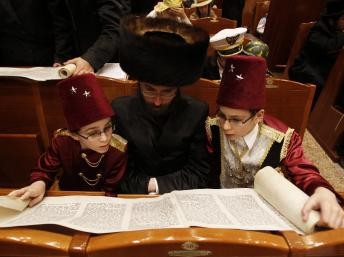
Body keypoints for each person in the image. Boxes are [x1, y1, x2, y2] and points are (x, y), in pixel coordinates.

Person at [206, 55, 344, 229]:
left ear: (258, 116)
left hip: (263, 215)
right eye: (222, 115)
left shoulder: (282, 137)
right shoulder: (212, 128)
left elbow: (303, 171)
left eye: (236, 119)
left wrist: (323, 191)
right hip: (219, 209)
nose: (225, 126)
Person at [112, 16, 210, 194]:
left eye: (167, 92)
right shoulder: (120, 110)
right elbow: (118, 172)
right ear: (138, 83)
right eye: (149, 90)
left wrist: (157, 186)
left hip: (181, 197)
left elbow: (199, 173)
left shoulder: (196, 111)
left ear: (178, 88)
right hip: (134, 197)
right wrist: (147, 186)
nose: (157, 101)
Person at [9, 74, 128, 207]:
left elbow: (110, 193)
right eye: (93, 133)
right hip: (66, 199)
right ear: (74, 135)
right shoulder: (62, 143)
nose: (105, 138)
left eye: (107, 128)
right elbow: (44, 170)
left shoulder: (117, 152)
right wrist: (38, 184)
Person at [52, 0, 130, 75]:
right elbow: (62, 25)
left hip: (113, 61)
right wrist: (62, 58)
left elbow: (116, 27)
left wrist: (90, 59)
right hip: (81, 59)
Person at [289, 0, 344, 105]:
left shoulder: (337, 30)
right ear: (333, 18)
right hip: (306, 67)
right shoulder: (319, 28)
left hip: (324, 67)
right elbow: (328, 46)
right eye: (343, 19)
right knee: (326, 85)